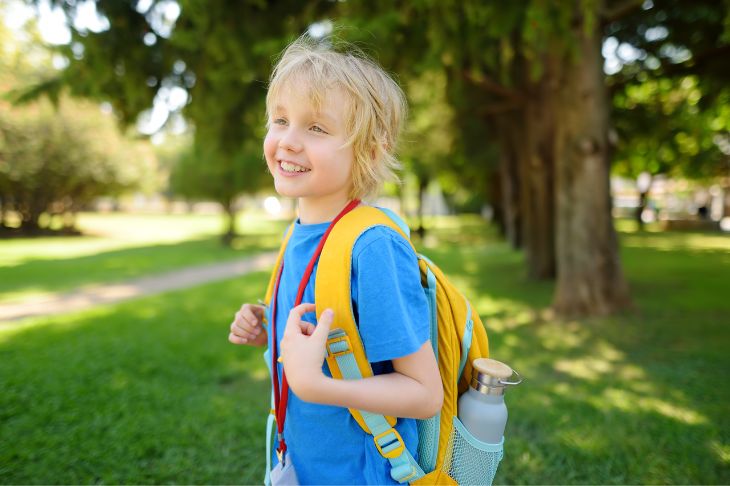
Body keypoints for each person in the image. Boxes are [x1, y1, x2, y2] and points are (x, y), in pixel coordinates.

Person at [228, 35, 443, 485]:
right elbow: (336, 327)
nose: (287, 141)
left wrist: (317, 386)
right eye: (280, 120)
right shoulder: (297, 234)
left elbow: (425, 394)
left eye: (316, 128)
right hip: (303, 465)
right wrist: (269, 323)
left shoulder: (372, 247)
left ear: (368, 150)